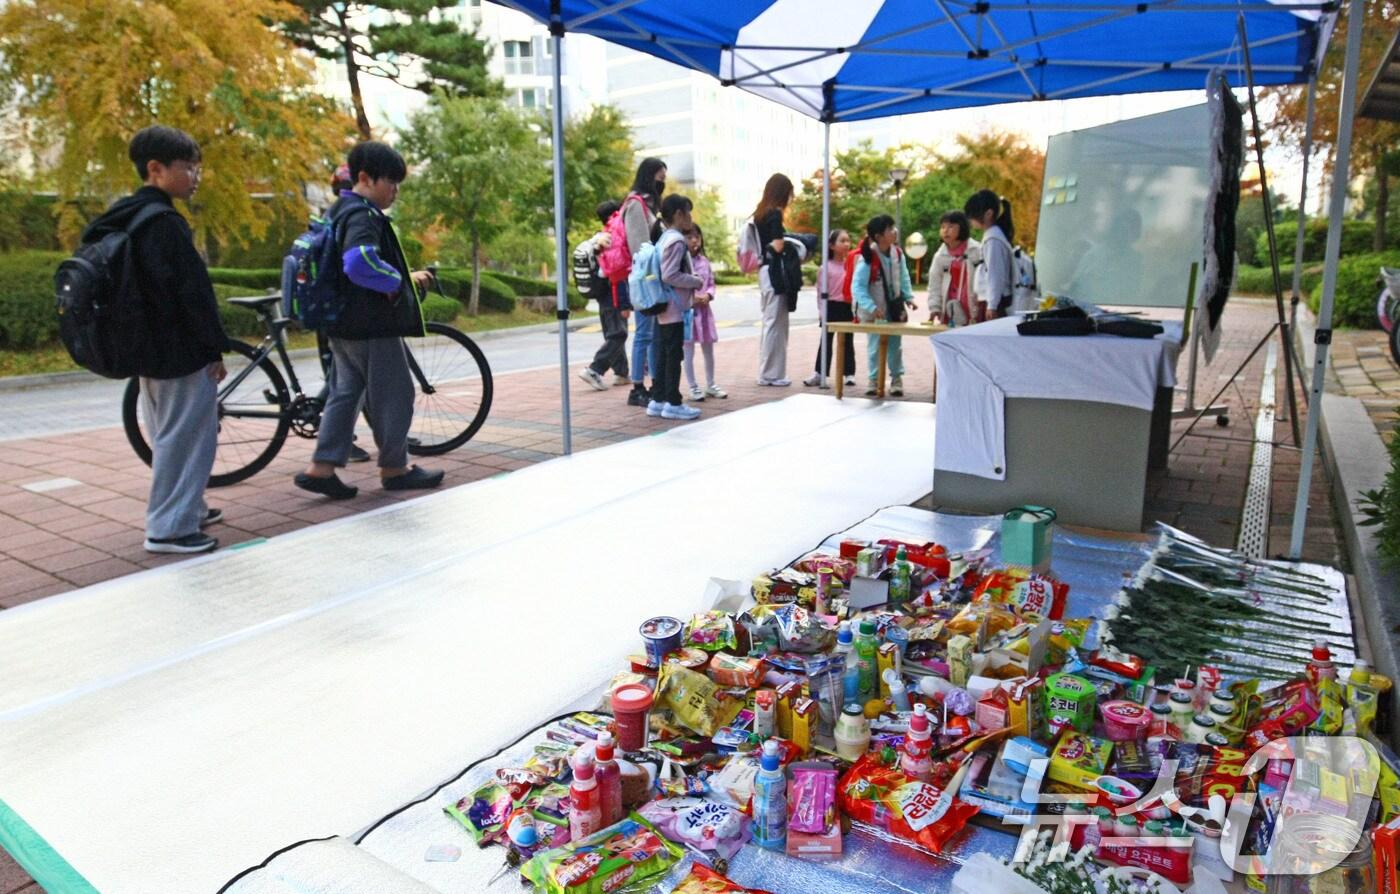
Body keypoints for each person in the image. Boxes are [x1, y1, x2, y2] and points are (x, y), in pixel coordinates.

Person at [82, 126, 227, 554]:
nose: (195, 176)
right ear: (156, 169)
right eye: (187, 168)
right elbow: (191, 294)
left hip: (144, 346)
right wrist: (212, 347)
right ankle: (169, 528)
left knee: (170, 432)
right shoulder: (164, 223)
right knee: (186, 438)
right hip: (178, 349)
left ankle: (189, 508)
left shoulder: (124, 216)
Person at [295, 140, 442, 499]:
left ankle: (322, 467)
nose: (394, 191)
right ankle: (395, 467)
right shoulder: (362, 214)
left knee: (346, 393)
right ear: (365, 178)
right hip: (371, 322)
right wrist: (395, 283)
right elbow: (359, 260)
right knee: (395, 393)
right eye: (390, 182)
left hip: (342, 322)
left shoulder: (338, 210)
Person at [649, 195, 703, 421]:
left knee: (663, 354)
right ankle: (673, 402)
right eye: (688, 213)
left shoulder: (663, 239)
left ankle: (658, 399)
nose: (690, 218)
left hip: (662, 305)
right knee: (673, 356)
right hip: (673, 307)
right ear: (679, 214)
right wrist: (695, 281)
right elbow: (670, 274)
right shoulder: (677, 241)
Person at [851, 214, 917, 398]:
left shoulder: (897, 254)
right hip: (877, 312)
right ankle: (873, 380)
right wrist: (872, 307)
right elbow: (857, 287)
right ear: (879, 236)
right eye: (890, 229)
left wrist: (909, 297)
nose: (894, 231)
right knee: (874, 346)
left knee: (895, 346)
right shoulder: (868, 258)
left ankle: (896, 380)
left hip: (894, 309)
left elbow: (903, 277)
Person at [623, 158, 667, 408]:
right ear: (649, 177)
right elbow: (639, 247)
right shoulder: (636, 204)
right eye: (660, 178)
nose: (662, 183)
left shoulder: (648, 205)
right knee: (643, 334)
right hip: (643, 279)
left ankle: (653, 383)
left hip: (650, 277)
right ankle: (637, 387)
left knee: (650, 334)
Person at [578, 200, 632, 390]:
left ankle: (622, 373)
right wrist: (625, 302)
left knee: (614, 333)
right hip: (612, 291)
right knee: (618, 334)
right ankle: (595, 369)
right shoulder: (612, 237)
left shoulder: (600, 236)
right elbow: (618, 270)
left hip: (602, 292)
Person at [754, 173, 796, 386]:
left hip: (764, 271)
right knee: (776, 323)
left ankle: (769, 371)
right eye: (790, 193)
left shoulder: (760, 213)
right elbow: (778, 245)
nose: (792, 197)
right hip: (775, 272)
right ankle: (771, 374)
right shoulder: (775, 214)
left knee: (770, 322)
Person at [806, 228, 856, 387]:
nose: (846, 244)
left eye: (848, 240)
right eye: (842, 241)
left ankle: (849, 374)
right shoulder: (825, 267)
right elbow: (820, 291)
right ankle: (820, 373)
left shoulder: (852, 265)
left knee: (848, 341)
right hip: (831, 307)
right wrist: (822, 311)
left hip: (847, 306)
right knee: (826, 341)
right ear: (832, 245)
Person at [682, 224, 725, 401]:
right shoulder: (681, 262)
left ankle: (711, 384)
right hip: (688, 313)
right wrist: (692, 299)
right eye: (690, 237)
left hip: (705, 312)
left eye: (697, 237)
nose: (694, 241)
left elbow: (711, 284)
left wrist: (708, 295)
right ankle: (693, 387)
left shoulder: (704, 261)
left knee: (708, 349)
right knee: (688, 351)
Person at [964, 189, 1015, 319]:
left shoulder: (993, 240)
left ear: (988, 214)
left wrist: (992, 305)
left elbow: (995, 273)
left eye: (973, 215)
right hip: (990, 300)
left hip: (994, 304)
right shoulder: (992, 236)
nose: (970, 220)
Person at [927, 211, 983, 327]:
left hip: (975, 309)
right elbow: (934, 284)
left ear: (962, 227)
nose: (945, 231)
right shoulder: (940, 256)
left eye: (950, 226)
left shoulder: (977, 251)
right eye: (942, 227)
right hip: (950, 310)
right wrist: (934, 307)